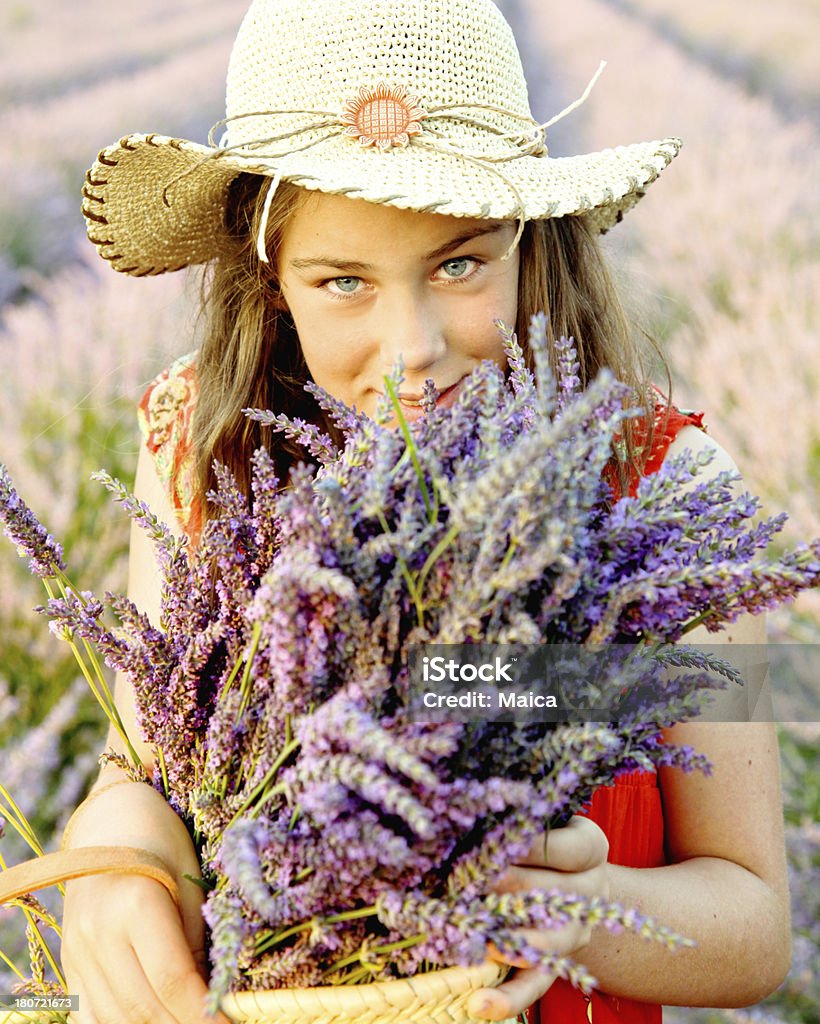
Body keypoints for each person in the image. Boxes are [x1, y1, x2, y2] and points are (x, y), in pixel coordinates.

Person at [60, 0, 791, 1021]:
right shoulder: (205, 441)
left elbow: (753, 922)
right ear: (272, 281)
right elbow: (142, 758)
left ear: (534, 243)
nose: (411, 348)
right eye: (342, 281)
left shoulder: (659, 496)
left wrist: (578, 908)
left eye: (459, 263)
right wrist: (119, 856)